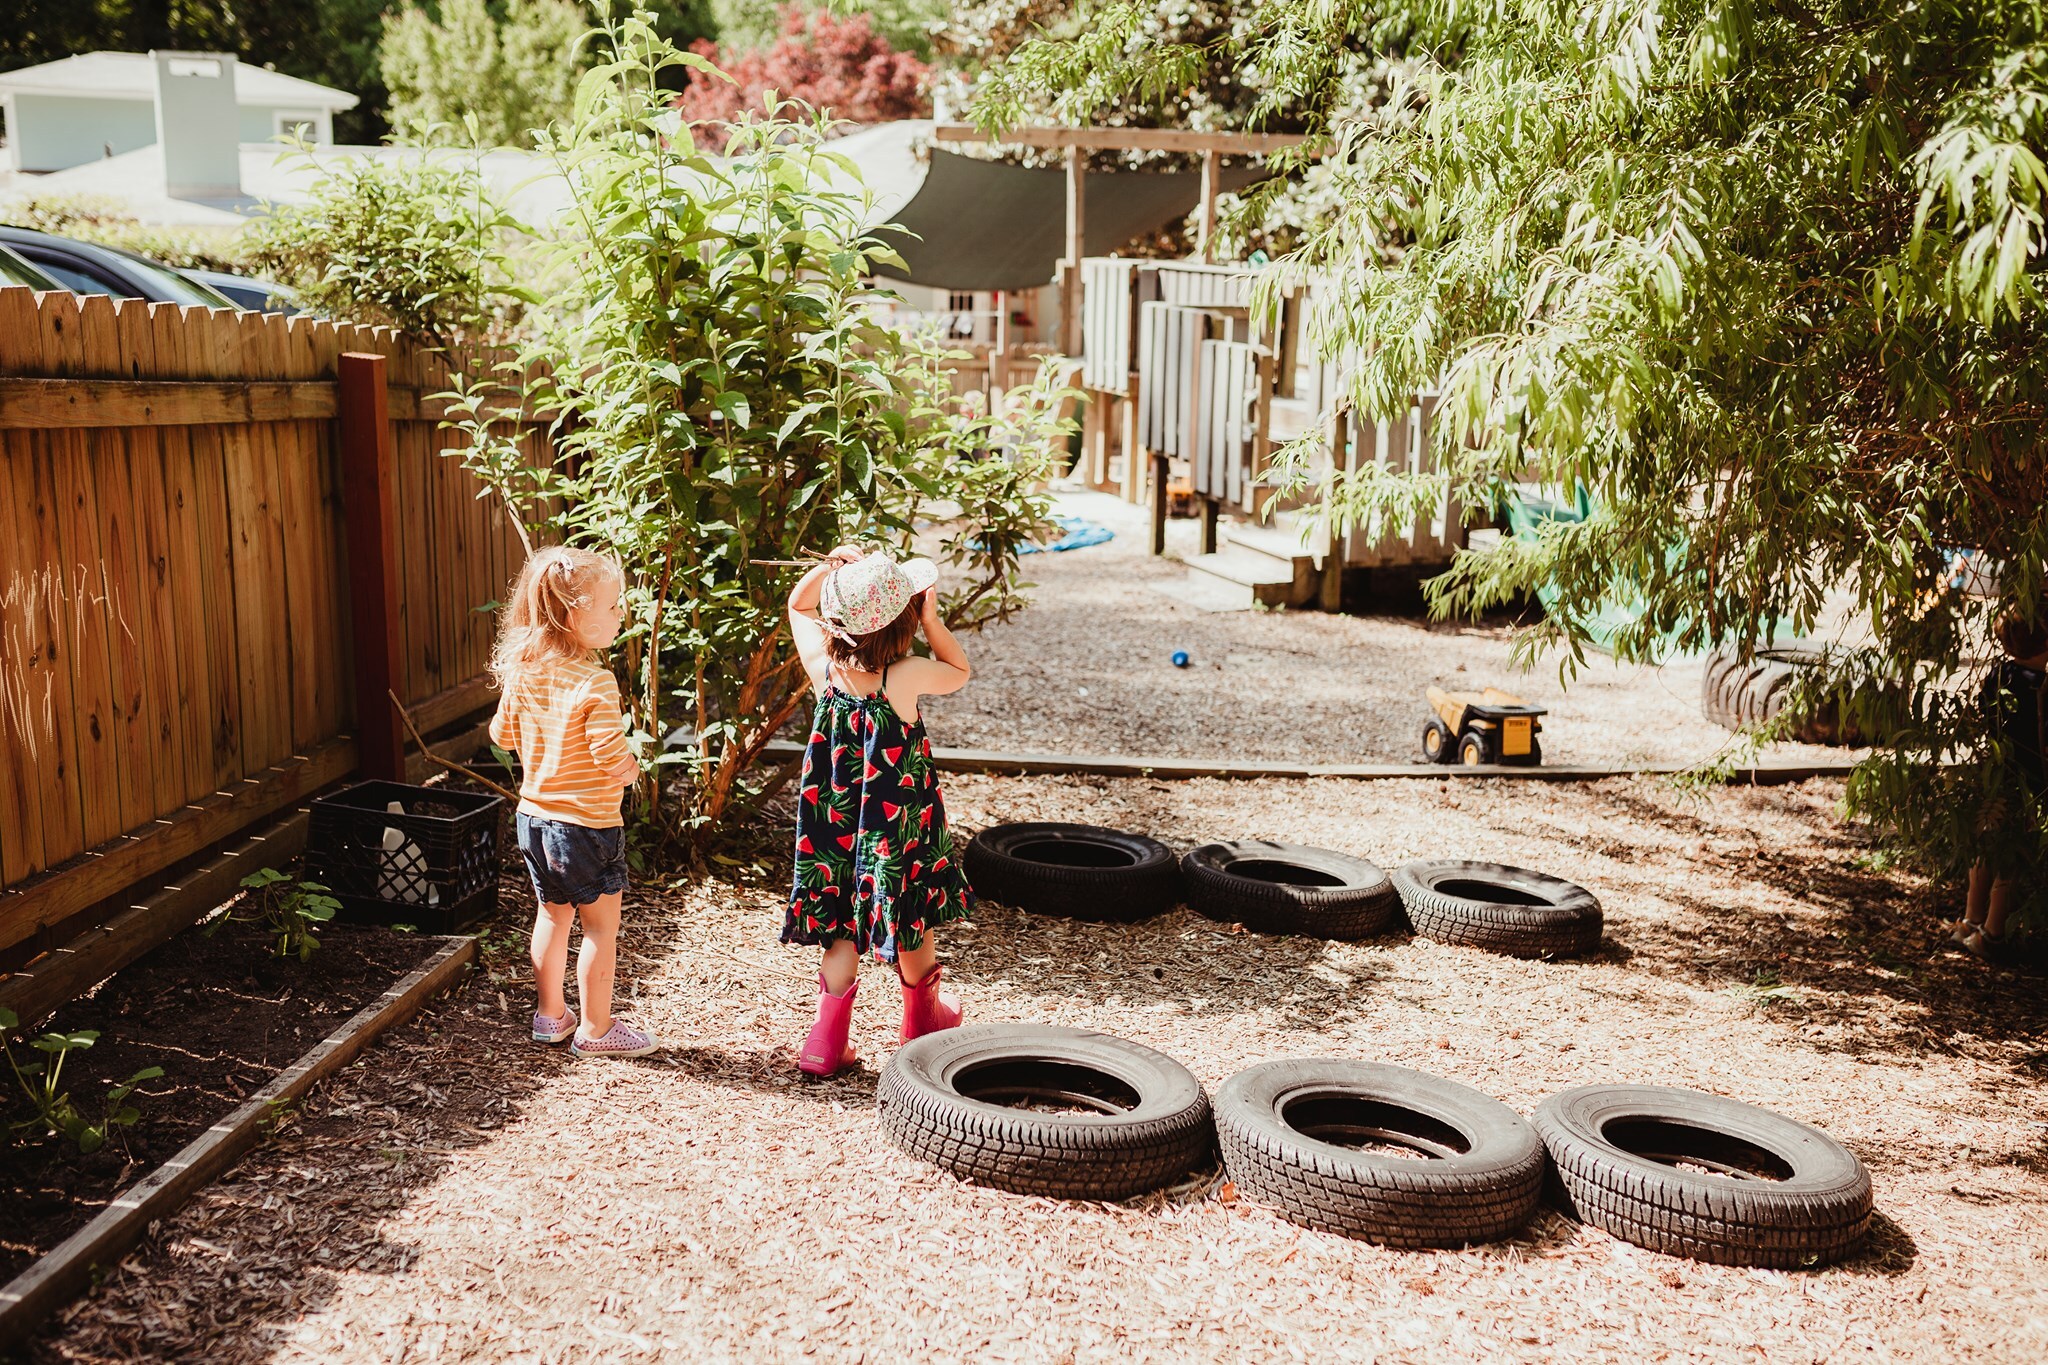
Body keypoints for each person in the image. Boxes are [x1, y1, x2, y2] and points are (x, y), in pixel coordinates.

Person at [783, 544, 975, 1076]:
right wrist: (933, 622)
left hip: (834, 823)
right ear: (905, 621)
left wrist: (831, 568)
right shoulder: (907, 675)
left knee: (843, 922)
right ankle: (922, 1021)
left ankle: (824, 1042)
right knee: (908, 909)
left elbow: (799, 606)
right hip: (898, 824)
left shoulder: (825, 669)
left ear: (838, 619)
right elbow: (959, 669)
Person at [488, 546, 655, 1059]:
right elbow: (609, 753)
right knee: (601, 929)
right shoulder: (594, 681)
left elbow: (502, 736)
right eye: (610, 606)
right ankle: (597, 1029)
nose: (620, 613)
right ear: (570, 615)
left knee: (551, 916)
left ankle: (550, 1016)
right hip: (586, 824)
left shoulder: (525, 672)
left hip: (533, 818)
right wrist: (630, 769)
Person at [1953, 608, 2047, 959]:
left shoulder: (1999, 673)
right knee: (2012, 856)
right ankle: (1992, 933)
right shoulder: (2039, 688)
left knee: (1986, 848)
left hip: (1993, 776)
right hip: (2027, 782)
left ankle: (1969, 920)